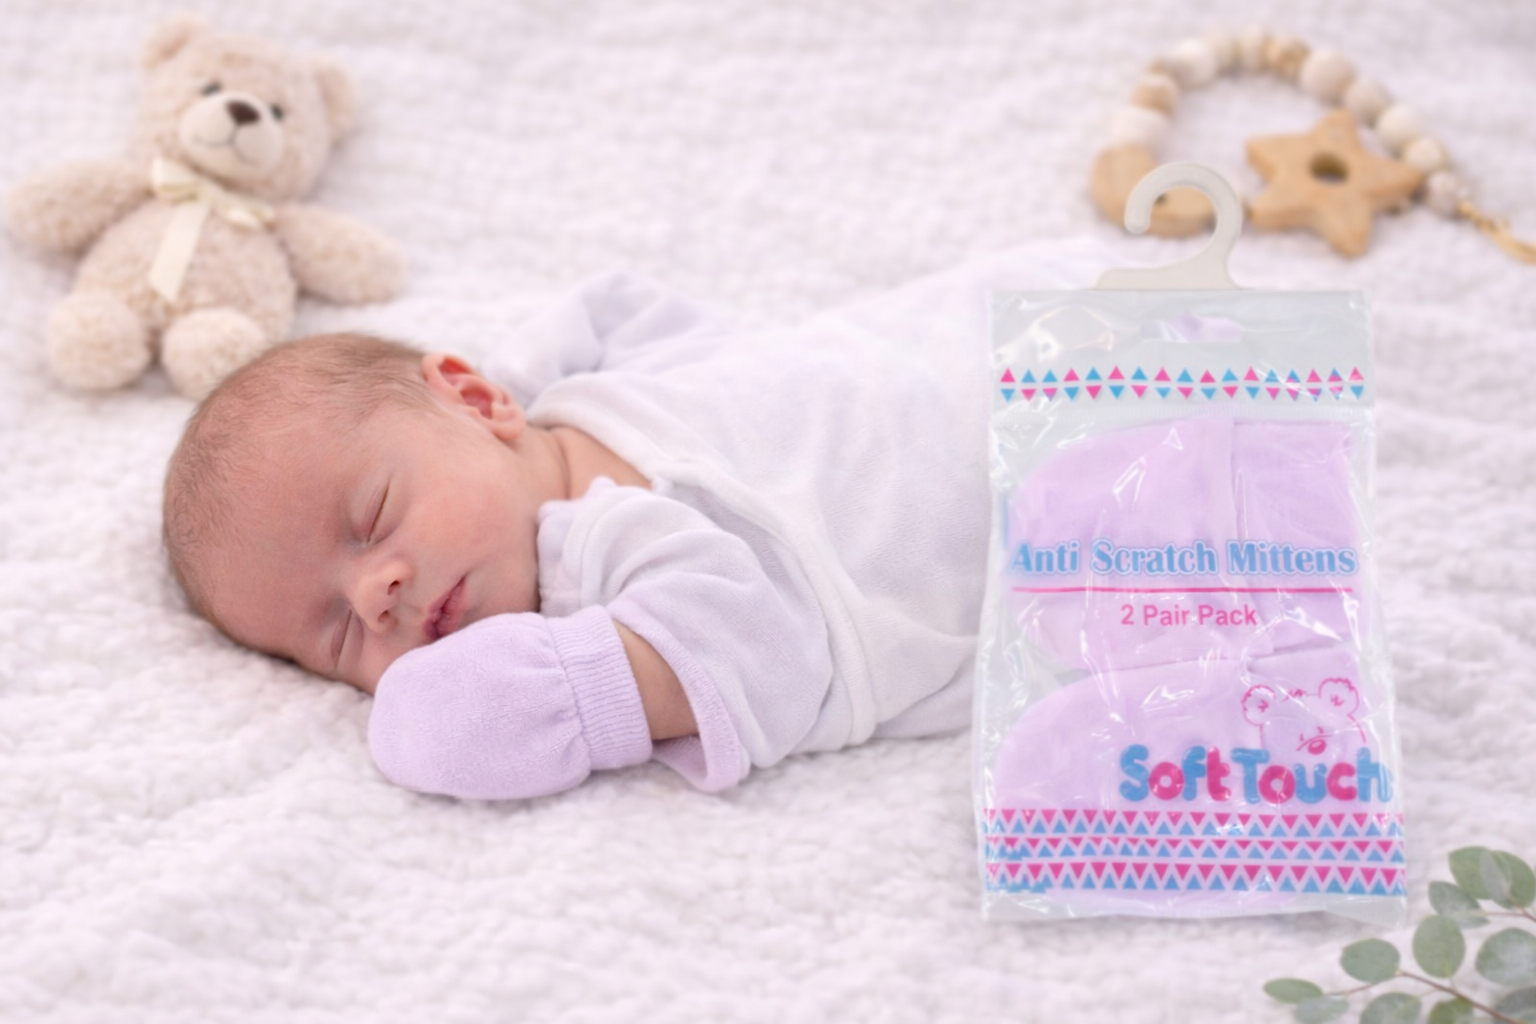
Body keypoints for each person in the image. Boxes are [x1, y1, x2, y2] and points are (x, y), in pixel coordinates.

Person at [162, 241, 1106, 801]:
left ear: (475, 395)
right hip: (1073, 484)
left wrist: (509, 403)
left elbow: (617, 302)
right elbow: (765, 653)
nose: (376, 596)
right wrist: (549, 693)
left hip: (980, 329)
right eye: (335, 636)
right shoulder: (599, 590)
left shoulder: (579, 393)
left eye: (371, 518)